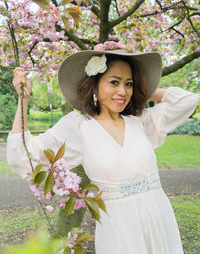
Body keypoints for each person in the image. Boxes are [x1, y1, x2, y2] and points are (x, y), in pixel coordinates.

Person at [7, 43, 199, 254]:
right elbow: (24, 157)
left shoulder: (140, 121)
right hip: (119, 227)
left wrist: (142, 92)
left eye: (129, 84)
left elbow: (187, 101)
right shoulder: (78, 126)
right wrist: (23, 101)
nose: (123, 91)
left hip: (158, 216)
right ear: (94, 84)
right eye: (114, 82)